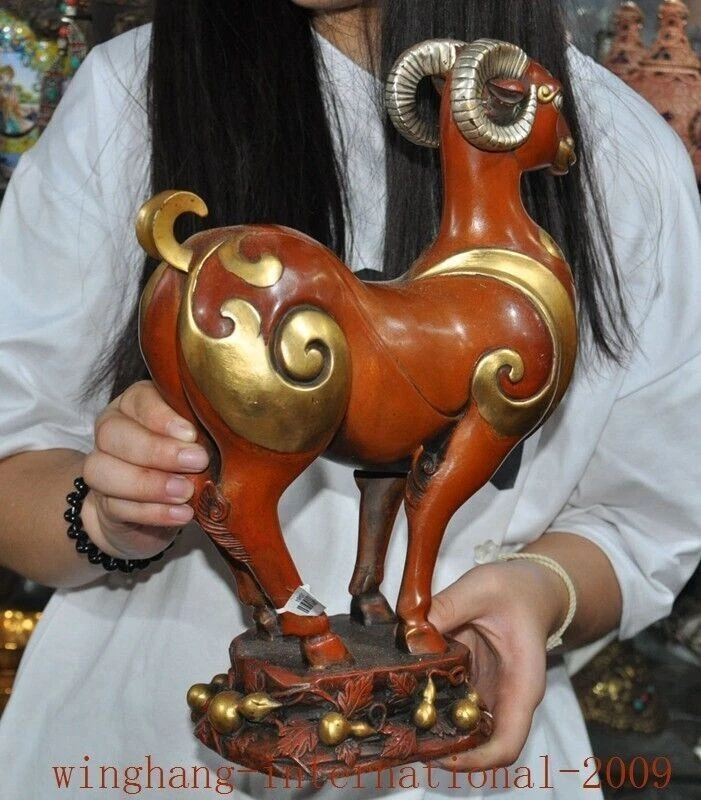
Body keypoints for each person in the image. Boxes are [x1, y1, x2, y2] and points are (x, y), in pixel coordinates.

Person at [0, 1, 699, 797]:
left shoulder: (623, 150)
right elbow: (13, 454)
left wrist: (541, 591)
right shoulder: (130, 91)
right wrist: (106, 514)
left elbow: (644, 518)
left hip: (471, 762)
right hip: (138, 744)